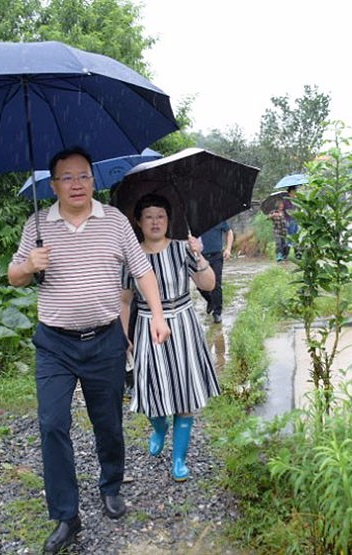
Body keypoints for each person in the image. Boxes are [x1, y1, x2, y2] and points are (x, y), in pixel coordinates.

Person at [8, 147, 171, 555]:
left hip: (105, 339)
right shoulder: (37, 224)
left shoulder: (115, 221)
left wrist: (156, 314)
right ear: (53, 185)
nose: (76, 184)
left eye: (83, 176)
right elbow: (14, 277)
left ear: (94, 181)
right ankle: (66, 515)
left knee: (107, 420)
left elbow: (143, 270)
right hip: (54, 344)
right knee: (51, 424)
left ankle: (111, 485)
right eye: (67, 177)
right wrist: (30, 264)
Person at [120, 193, 221, 482]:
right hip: (148, 328)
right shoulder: (131, 257)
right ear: (138, 221)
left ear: (168, 221)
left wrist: (198, 255)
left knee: (185, 392)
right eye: (149, 216)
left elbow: (209, 285)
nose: (155, 221)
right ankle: (159, 427)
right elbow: (125, 301)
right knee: (151, 389)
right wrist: (123, 335)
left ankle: (178, 459)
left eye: (161, 216)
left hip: (184, 325)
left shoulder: (181, 249)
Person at [198, 220, 233, 323]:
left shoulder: (218, 218)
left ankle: (217, 313)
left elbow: (229, 232)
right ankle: (210, 301)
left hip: (216, 256)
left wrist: (228, 249)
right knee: (200, 285)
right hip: (201, 257)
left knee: (216, 284)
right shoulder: (195, 219)